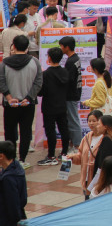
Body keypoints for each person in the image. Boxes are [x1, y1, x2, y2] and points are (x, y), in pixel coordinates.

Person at [0, 34, 43, 168]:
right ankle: (22, 159)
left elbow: (1, 81)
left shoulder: (4, 63)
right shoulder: (35, 62)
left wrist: (8, 97)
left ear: (13, 46)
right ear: (27, 47)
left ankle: (11, 159)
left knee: (9, 132)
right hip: (27, 104)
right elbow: (38, 82)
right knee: (25, 131)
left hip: (10, 104)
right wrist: (29, 97)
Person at [37, 47, 71, 165]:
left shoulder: (46, 74)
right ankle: (64, 152)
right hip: (62, 105)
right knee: (64, 129)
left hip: (49, 106)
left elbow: (41, 92)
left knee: (50, 130)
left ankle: (51, 155)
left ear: (49, 58)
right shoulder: (65, 72)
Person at [68, 110, 104, 199]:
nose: (91, 123)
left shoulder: (105, 138)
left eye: (94, 121)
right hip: (87, 178)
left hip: (99, 178)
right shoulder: (86, 138)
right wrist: (73, 157)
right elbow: (81, 156)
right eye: (89, 121)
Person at [61, 36, 83, 153]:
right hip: (74, 93)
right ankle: (74, 143)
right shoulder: (75, 58)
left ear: (67, 47)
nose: (61, 48)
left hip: (71, 95)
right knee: (72, 119)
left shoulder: (71, 61)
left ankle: (77, 146)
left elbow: (68, 79)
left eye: (62, 46)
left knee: (73, 121)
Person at [0, 140, 27, 223]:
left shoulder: (8, 178)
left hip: (7, 219)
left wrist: (16, 221)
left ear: (1, 156)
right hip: (19, 214)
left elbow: (12, 203)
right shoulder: (17, 167)